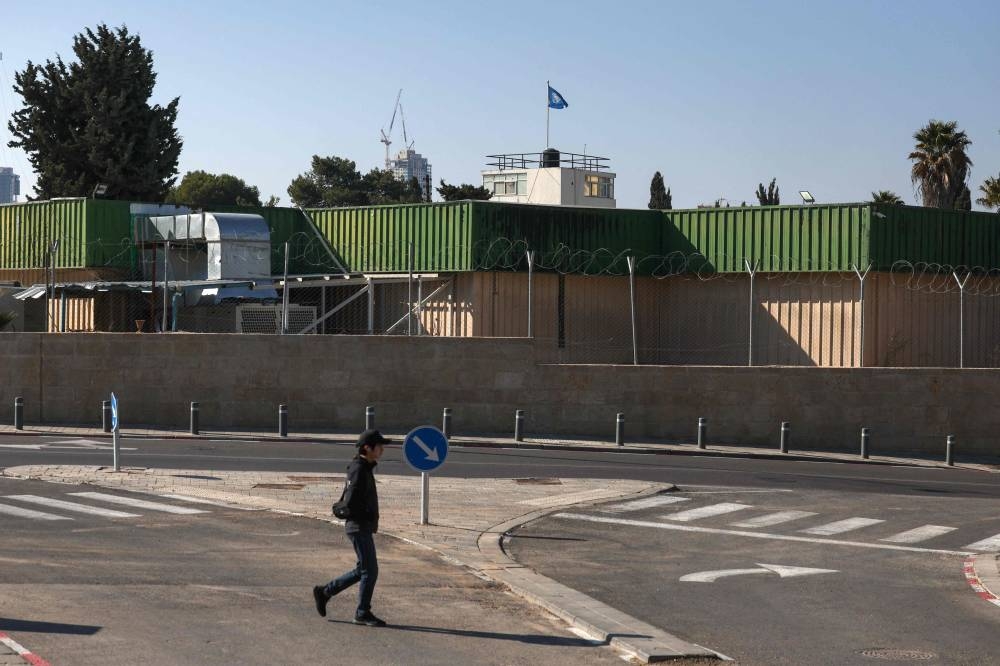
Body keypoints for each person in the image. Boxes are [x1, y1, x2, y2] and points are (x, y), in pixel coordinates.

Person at [313, 429, 390, 627]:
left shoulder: (363, 467)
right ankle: (362, 612)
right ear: (367, 447)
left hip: (360, 526)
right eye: (379, 445)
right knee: (370, 571)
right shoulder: (359, 469)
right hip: (358, 526)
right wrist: (367, 514)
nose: (382, 449)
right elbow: (351, 501)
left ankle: (325, 592)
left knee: (363, 570)